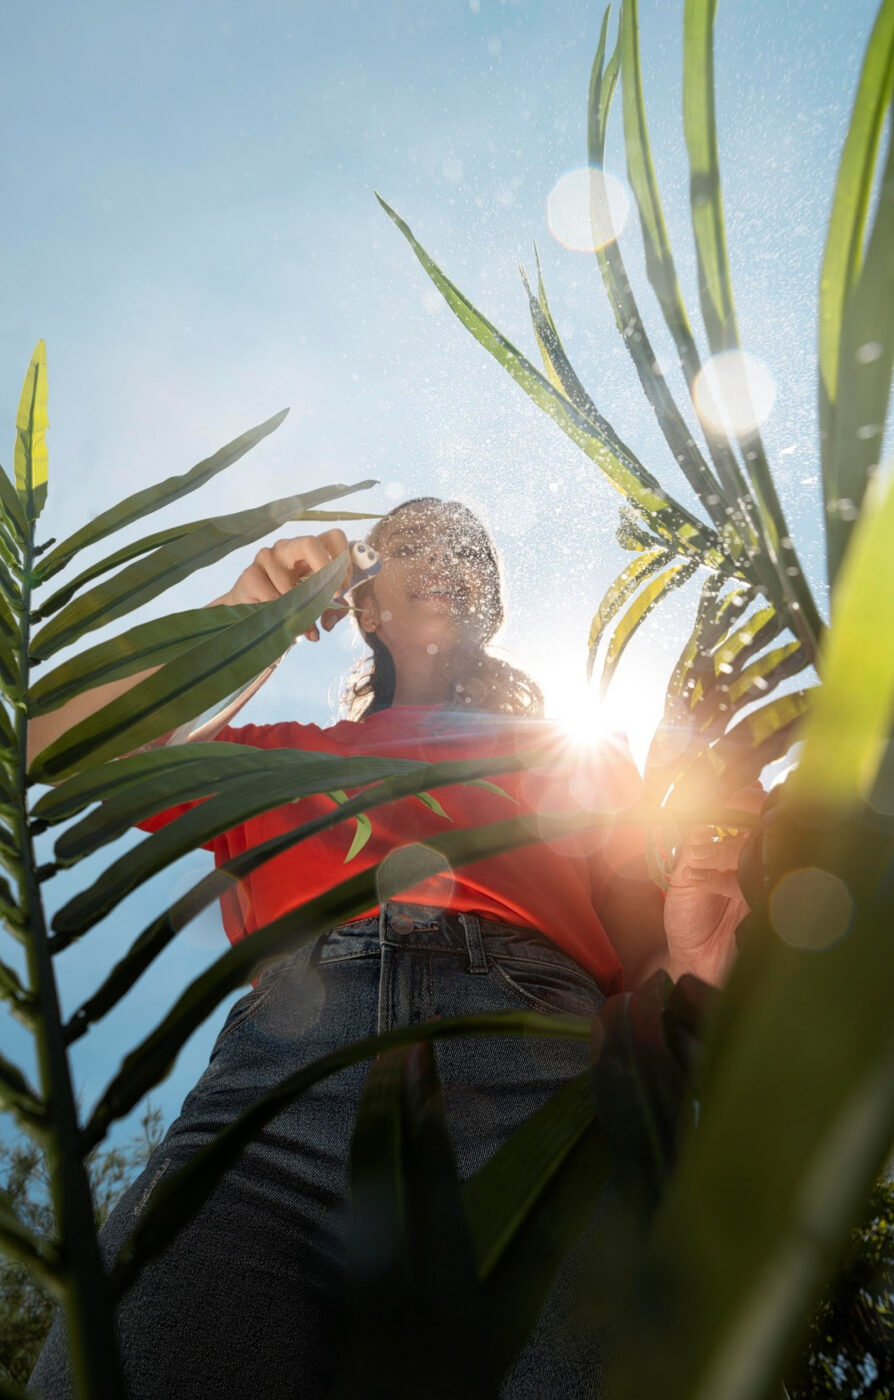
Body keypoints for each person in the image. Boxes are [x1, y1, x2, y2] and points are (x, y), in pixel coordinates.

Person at [28, 497, 753, 1398]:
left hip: (542, 1077)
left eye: (469, 550)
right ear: (362, 604)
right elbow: (60, 746)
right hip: (279, 1098)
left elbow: (644, 964)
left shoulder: (580, 759)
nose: (446, 556)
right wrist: (248, 623)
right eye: (409, 543)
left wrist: (697, 968)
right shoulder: (276, 761)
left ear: (491, 609)